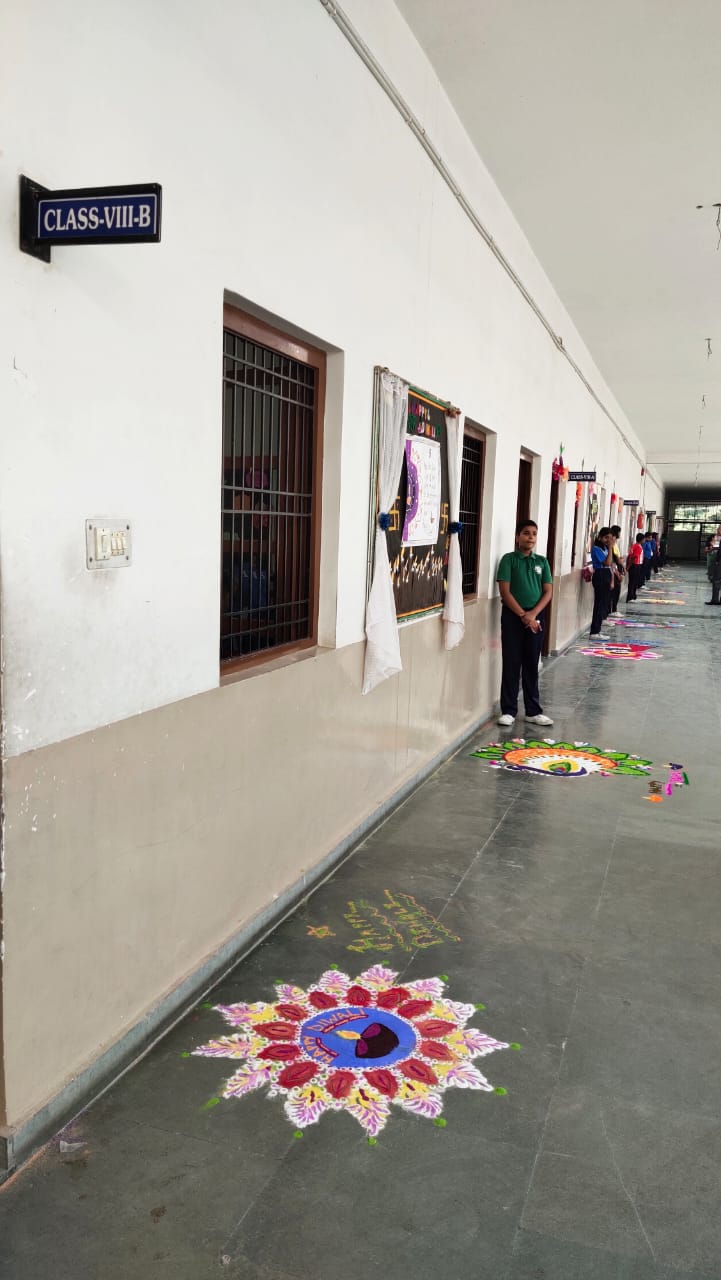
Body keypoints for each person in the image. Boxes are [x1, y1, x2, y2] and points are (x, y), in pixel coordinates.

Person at [496, 519, 554, 728]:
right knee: (511, 662)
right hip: (513, 617)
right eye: (526, 533)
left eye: (534, 534)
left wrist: (533, 614)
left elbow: (548, 591)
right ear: (518, 536)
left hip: (536, 618)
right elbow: (505, 591)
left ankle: (533, 710)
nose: (530, 537)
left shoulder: (542, 562)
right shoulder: (509, 560)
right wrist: (523, 615)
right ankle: (509, 710)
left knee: (531, 663)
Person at [589, 528, 613, 639]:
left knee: (603, 603)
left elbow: (610, 565)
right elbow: (607, 562)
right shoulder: (596, 549)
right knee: (599, 604)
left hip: (606, 574)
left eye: (610, 538)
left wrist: (612, 579)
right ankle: (594, 631)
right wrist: (611, 547)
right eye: (606, 537)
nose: (608, 540)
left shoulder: (605, 548)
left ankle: (597, 629)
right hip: (600, 575)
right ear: (600, 537)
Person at [608, 524, 624, 616]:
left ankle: (614, 609)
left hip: (617, 568)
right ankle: (612, 610)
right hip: (614, 569)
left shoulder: (615, 544)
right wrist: (619, 572)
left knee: (617, 591)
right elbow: (615, 559)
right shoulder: (612, 544)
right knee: (614, 591)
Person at [626, 532, 645, 603]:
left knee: (634, 581)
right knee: (633, 582)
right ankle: (631, 596)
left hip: (636, 565)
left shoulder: (636, 545)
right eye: (643, 539)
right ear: (641, 539)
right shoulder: (637, 546)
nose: (644, 541)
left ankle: (633, 595)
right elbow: (634, 557)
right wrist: (629, 566)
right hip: (635, 565)